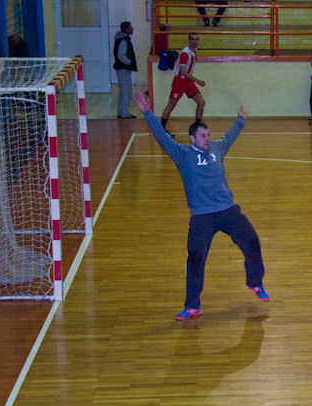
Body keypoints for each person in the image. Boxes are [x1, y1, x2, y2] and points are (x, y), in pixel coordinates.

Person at [134, 90, 269, 320]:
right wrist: (147, 113)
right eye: (203, 136)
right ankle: (193, 306)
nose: (207, 139)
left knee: (252, 243)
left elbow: (229, 137)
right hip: (201, 217)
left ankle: (255, 282)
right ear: (192, 139)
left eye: (208, 135)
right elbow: (162, 137)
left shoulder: (216, 149)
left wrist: (240, 120)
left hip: (228, 210)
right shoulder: (182, 155)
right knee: (195, 260)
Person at [160, 33, 206, 137]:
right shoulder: (185, 53)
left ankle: (197, 128)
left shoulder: (194, 51)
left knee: (201, 102)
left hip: (188, 82)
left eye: (197, 39)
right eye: (192, 39)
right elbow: (183, 72)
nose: (195, 41)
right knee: (171, 105)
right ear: (189, 41)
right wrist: (197, 81)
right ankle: (161, 131)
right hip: (180, 82)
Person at [113, 21, 137, 119]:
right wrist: (130, 62)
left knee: (123, 91)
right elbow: (121, 55)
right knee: (126, 91)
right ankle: (125, 113)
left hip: (121, 68)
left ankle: (121, 112)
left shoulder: (120, 39)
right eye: (130, 27)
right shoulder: (124, 40)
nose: (132, 29)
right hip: (123, 68)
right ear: (126, 29)